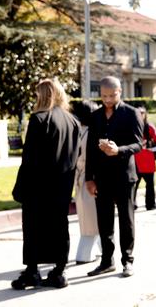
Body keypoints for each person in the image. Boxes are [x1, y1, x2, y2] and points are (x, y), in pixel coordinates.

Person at [11, 79, 80, 289]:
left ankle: (32, 271)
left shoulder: (39, 119)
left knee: (32, 229)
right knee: (60, 227)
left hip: (38, 186)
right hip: (62, 185)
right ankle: (59, 271)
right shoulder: (73, 121)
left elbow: (29, 159)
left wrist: (20, 187)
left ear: (42, 95)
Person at [85, 76, 143, 278]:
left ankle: (128, 260)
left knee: (126, 221)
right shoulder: (96, 116)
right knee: (104, 220)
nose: (108, 99)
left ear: (120, 92)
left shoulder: (131, 113)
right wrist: (88, 179)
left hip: (125, 177)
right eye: (104, 96)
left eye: (112, 95)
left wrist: (118, 150)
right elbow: (90, 150)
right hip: (101, 177)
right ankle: (107, 261)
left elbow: (138, 145)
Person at [71, 100, 101, 264]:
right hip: (89, 178)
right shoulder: (91, 133)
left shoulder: (78, 131)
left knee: (90, 218)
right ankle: (84, 255)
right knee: (92, 221)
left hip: (80, 178)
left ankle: (102, 250)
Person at [133, 106, 156, 210]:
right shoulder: (131, 126)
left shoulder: (149, 127)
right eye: (138, 112)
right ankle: (132, 204)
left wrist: (148, 143)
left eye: (142, 112)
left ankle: (150, 204)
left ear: (145, 114)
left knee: (150, 184)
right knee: (133, 185)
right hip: (135, 160)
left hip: (148, 159)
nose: (140, 114)